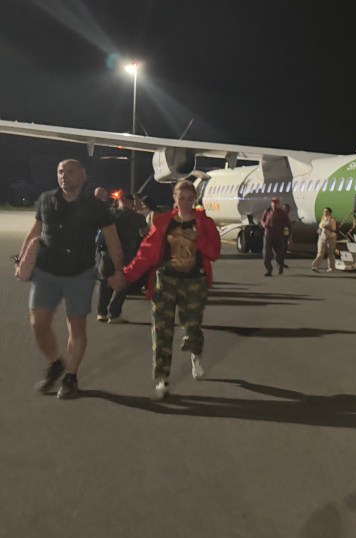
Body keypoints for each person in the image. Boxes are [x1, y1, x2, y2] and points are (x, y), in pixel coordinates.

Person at [14, 159, 125, 399]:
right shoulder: (46, 199)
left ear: (83, 176)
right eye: (60, 171)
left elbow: (112, 239)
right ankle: (55, 363)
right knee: (38, 323)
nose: (64, 176)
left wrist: (118, 270)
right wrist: (21, 260)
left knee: (76, 326)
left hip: (80, 274)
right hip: (46, 272)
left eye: (70, 172)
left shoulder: (96, 207)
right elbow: (34, 232)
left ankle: (71, 377)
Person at [123, 179, 221, 399]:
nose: (185, 202)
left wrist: (199, 240)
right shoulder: (163, 222)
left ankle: (195, 353)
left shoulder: (205, 223)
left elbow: (214, 252)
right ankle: (162, 378)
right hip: (166, 281)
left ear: (195, 199)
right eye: (181, 198)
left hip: (194, 282)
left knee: (192, 326)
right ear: (174, 198)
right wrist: (127, 275)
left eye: (190, 198)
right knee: (161, 330)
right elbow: (146, 252)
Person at [96, 192, 149, 323]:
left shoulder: (109, 214)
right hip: (126, 255)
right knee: (123, 283)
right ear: (131, 202)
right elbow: (146, 233)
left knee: (105, 282)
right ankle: (114, 314)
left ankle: (101, 313)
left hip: (107, 253)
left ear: (120, 201)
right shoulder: (137, 217)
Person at [260, 197, 290, 276]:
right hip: (268, 235)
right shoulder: (267, 211)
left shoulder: (282, 213)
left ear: (279, 204)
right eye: (273, 202)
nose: (274, 204)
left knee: (279, 254)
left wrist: (288, 236)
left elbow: (288, 225)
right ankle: (268, 269)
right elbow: (262, 220)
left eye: (276, 203)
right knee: (266, 253)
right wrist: (264, 225)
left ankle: (280, 265)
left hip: (279, 236)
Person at [311, 207, 338, 272]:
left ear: (330, 213)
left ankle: (331, 267)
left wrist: (327, 227)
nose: (325, 213)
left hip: (331, 238)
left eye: (326, 211)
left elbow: (334, 229)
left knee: (330, 253)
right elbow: (320, 227)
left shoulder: (332, 220)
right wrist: (319, 230)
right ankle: (315, 266)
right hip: (322, 237)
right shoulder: (323, 219)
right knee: (320, 253)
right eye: (324, 211)